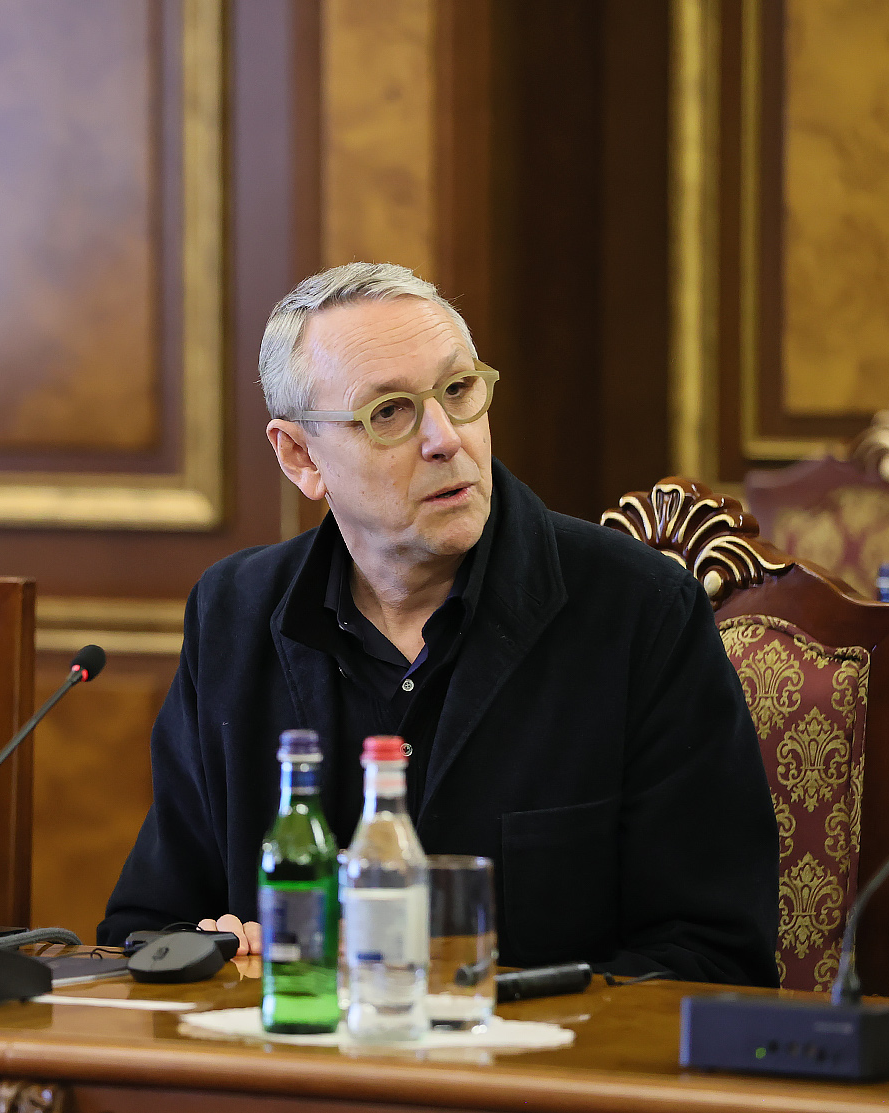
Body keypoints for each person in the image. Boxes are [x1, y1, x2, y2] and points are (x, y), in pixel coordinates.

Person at [99, 262, 779, 985]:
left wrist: (471, 1003)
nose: (445, 438)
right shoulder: (233, 614)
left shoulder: (639, 610)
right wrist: (222, 954)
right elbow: (145, 926)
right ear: (300, 456)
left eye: (458, 390)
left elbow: (713, 957)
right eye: (389, 412)